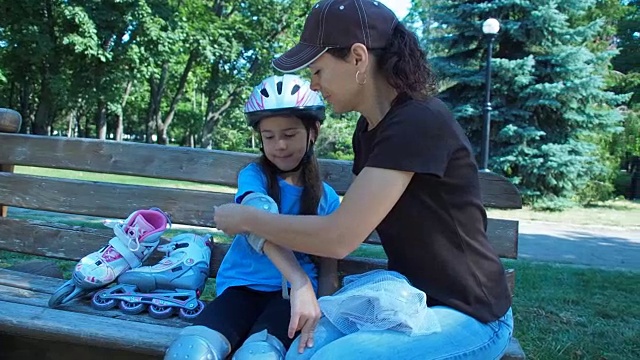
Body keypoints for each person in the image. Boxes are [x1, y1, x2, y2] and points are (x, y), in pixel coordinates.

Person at [212, 1, 515, 359]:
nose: (313, 83)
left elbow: (339, 238)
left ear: (358, 58)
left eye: (318, 70)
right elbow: (347, 224)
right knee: (299, 352)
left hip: (471, 315)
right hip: (407, 301)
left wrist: (245, 218)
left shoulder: (419, 121)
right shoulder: (368, 130)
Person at [164, 74, 341, 360]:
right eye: (268, 137)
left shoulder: (326, 198)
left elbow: (330, 269)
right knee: (191, 349)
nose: (279, 145)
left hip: (290, 301)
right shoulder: (254, 176)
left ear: (313, 132)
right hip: (242, 288)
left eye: (289, 134)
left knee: (259, 355)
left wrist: (322, 311)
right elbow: (255, 217)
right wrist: (298, 279)